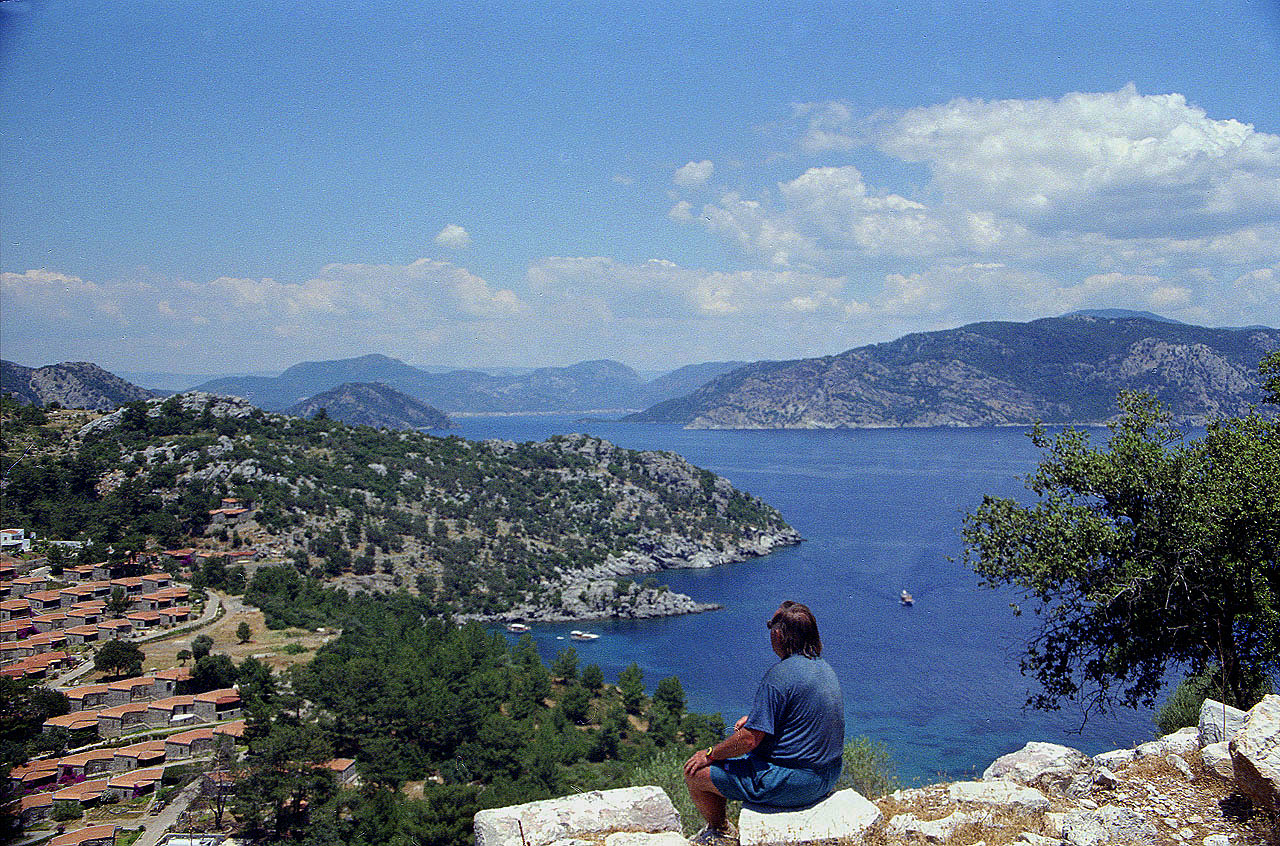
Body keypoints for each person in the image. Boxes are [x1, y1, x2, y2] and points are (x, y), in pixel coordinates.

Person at [683, 601, 845, 845]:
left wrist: (710, 753)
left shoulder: (780, 675)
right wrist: (755, 720)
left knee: (696, 773)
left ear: (778, 635)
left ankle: (721, 832)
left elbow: (748, 740)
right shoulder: (823, 668)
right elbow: (801, 713)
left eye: (771, 627)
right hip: (828, 775)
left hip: (798, 783)